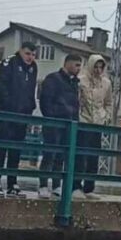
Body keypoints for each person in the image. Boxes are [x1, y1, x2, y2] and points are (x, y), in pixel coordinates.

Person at [0, 41, 38, 198]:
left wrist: (30, 106)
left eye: (32, 54)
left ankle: (12, 183)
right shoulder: (9, 62)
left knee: (15, 150)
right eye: (27, 53)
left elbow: (31, 89)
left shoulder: (33, 67)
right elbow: (1, 84)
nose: (30, 57)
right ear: (20, 51)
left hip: (22, 115)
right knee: (1, 148)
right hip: (6, 113)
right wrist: (9, 104)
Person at [37, 53, 83, 199]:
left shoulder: (74, 82)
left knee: (61, 156)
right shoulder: (53, 79)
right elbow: (46, 100)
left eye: (80, 65)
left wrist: (75, 121)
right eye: (76, 65)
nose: (79, 68)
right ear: (67, 63)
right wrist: (51, 118)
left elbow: (75, 104)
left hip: (69, 124)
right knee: (49, 154)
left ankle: (57, 185)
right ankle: (43, 185)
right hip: (54, 122)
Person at [77, 54, 112, 199]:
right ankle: (76, 186)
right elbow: (77, 101)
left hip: (97, 123)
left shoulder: (106, 83)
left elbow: (108, 102)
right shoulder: (81, 81)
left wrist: (106, 117)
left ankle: (89, 187)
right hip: (83, 121)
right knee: (80, 156)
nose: (98, 70)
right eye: (96, 67)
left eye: (101, 67)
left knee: (93, 157)